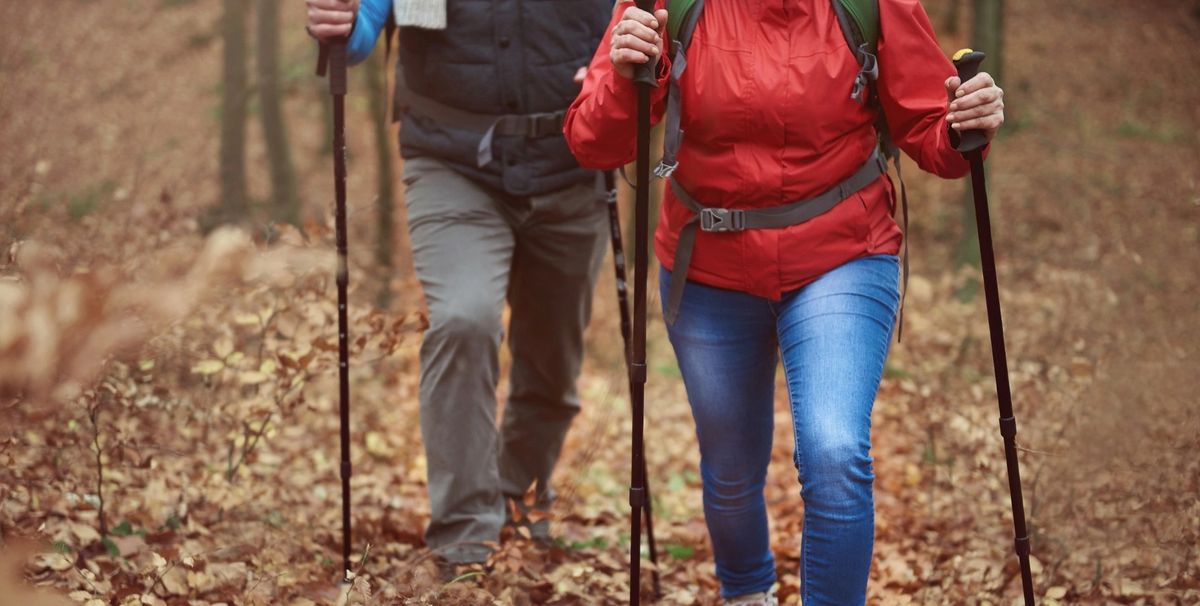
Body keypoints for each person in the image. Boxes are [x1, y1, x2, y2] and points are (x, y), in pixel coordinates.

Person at [565, 1, 1004, 604]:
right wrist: (625, 73)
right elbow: (592, 142)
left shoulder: (871, 5)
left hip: (842, 250)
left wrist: (963, 125)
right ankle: (746, 593)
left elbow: (933, 130)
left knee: (834, 450)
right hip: (708, 264)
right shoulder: (665, 5)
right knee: (730, 463)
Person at [305, 0, 614, 570]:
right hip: (452, 163)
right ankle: (465, 535)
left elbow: (654, 18)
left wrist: (628, 69)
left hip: (573, 163)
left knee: (551, 366)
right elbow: (365, 21)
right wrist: (343, 28)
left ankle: (517, 498)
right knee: (464, 319)